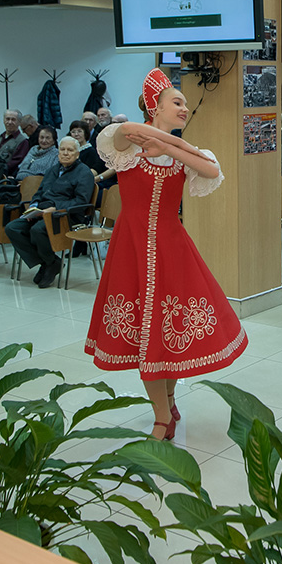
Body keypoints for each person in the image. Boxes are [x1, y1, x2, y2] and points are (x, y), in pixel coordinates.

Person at [84, 68, 247, 441]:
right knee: (143, 331)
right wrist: (162, 140)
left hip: (171, 247)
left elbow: (211, 168)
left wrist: (172, 146)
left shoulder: (180, 154)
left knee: (166, 332)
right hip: (132, 246)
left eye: (186, 103)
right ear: (153, 108)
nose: (185, 107)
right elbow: (125, 132)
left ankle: (169, 402)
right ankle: (162, 415)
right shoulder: (124, 144)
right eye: (177, 101)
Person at [5, 136, 96, 288]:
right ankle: (50, 262)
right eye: (63, 149)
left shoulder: (84, 172)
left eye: (70, 150)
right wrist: (33, 207)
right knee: (13, 228)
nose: (66, 153)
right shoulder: (53, 169)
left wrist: (56, 208)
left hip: (67, 215)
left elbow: (81, 202)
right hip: (42, 212)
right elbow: (40, 192)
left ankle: (48, 264)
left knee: (37, 230)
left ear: (77, 154)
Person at [0, 109, 27, 175]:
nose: (9, 122)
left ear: (19, 122)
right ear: (3, 120)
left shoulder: (23, 142)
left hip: (6, 177)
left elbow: (16, 163)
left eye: (13, 119)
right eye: (7, 119)